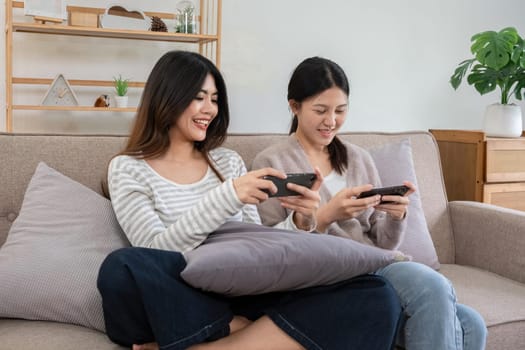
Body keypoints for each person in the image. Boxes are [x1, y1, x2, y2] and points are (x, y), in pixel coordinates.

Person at [97, 50, 404, 350]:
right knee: (121, 268)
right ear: (167, 98)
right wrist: (226, 197)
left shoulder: (227, 162)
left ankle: (218, 341)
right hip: (180, 291)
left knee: (376, 294)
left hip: (242, 291)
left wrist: (302, 222)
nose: (210, 109)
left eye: (215, 100)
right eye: (199, 97)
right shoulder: (128, 167)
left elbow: (260, 249)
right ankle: (240, 327)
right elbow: (155, 250)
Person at [252, 56, 488, 350]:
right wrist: (325, 216)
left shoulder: (358, 158)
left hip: (372, 264)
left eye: (340, 110)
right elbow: (270, 249)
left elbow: (383, 242)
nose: (331, 121)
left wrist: (396, 216)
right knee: (434, 286)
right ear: (294, 106)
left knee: (471, 324)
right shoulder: (272, 162)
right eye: (320, 110)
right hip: (329, 272)